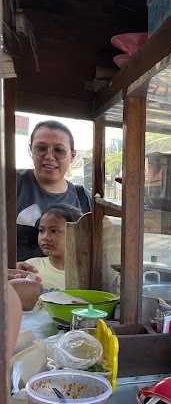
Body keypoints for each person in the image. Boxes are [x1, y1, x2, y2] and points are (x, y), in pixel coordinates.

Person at [17, 120, 91, 263]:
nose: (49, 156)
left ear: (72, 156)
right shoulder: (10, 184)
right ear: (31, 150)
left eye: (59, 150)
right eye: (41, 148)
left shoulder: (82, 197)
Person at [18, 204, 82, 291]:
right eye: (41, 230)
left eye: (54, 231)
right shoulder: (30, 268)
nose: (45, 237)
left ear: (75, 234)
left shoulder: (85, 273)